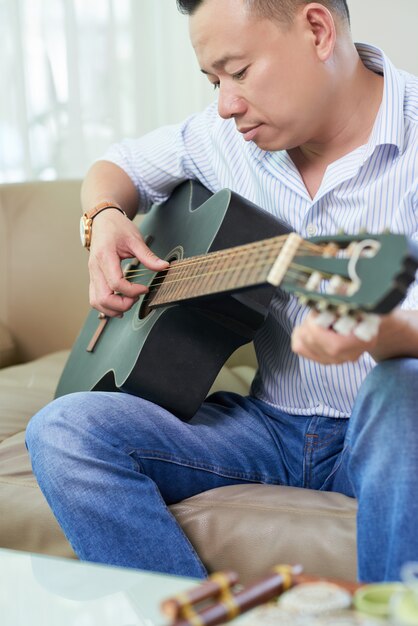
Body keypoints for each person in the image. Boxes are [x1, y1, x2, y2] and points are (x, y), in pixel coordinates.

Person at [26, 0, 418, 583]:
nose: (226, 104)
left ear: (317, 30)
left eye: (238, 72)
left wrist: (381, 333)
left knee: (403, 388)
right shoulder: (222, 138)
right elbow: (118, 165)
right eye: (213, 80)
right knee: (61, 430)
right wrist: (103, 217)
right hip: (268, 426)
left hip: (382, 430)